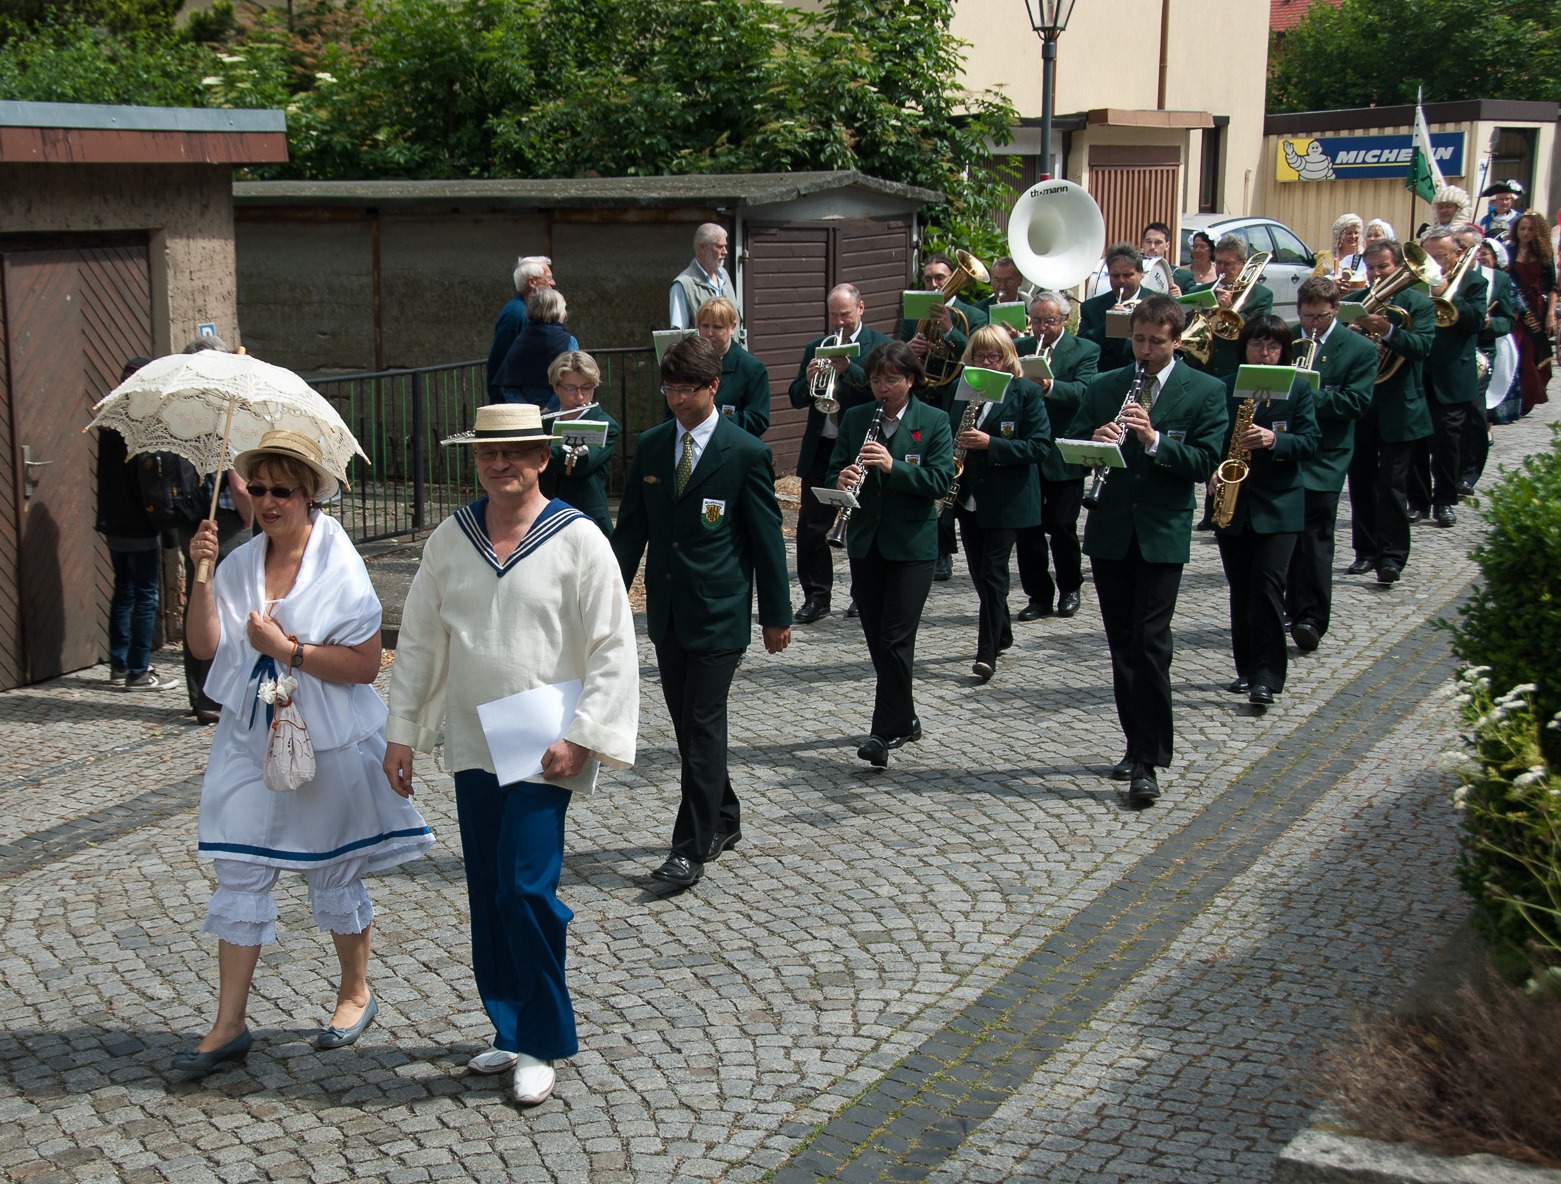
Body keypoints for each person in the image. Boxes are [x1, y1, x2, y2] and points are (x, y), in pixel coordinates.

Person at [382, 402, 637, 1108]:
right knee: (490, 891)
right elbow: (424, 643)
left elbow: (612, 645)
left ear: (543, 458)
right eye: (491, 453)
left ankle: (543, 1038)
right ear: (475, 460)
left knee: (527, 889)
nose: (504, 464)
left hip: (543, 741)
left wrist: (583, 733)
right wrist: (401, 729)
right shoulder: (450, 539)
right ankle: (507, 1020)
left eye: (519, 452)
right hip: (471, 738)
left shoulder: (578, 539)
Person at [174, 431, 433, 1079]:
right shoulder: (236, 563)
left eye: (280, 490)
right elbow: (205, 647)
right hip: (248, 735)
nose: (265, 501)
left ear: (308, 494)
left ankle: (354, 991)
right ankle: (228, 1024)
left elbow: (365, 664)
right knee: (239, 868)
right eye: (255, 488)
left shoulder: (337, 565)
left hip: (324, 736)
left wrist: (287, 648)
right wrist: (199, 572)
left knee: (333, 868)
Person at [611, 336, 792, 889]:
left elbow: (766, 541)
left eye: (687, 390)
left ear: (714, 387)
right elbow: (632, 532)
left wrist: (775, 615)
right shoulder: (652, 445)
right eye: (669, 389)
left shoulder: (745, 453)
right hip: (668, 613)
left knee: (703, 724)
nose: (676, 400)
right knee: (690, 726)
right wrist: (609, 600)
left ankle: (687, 849)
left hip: (719, 614)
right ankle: (725, 816)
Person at [1067, 295, 1227, 808]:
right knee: (1121, 644)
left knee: (1151, 642)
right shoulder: (1107, 386)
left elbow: (1205, 462)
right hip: (1112, 530)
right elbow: (1068, 447)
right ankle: (1134, 744)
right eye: (1138, 339)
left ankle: (1151, 759)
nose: (1145, 350)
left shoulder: (1204, 390)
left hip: (1161, 532)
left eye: (1156, 341)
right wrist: (1096, 439)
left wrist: (1155, 440)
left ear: (1176, 341)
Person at [828, 341, 954, 767]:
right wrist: (843, 478)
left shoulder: (933, 420)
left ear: (911, 380)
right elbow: (833, 470)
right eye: (877, 380)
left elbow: (939, 481)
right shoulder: (856, 418)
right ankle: (907, 716)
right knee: (879, 642)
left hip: (913, 547)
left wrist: (892, 466)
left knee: (896, 638)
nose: (883, 387)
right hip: (867, 543)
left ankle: (882, 732)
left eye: (892, 380)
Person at [1211, 316, 1319, 707]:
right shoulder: (1225, 388)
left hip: (1279, 506)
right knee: (1241, 589)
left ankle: (1268, 675)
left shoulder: (1298, 390)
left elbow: (1310, 442)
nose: (1265, 353)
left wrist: (1277, 439)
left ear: (1284, 351)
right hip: (1234, 503)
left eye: (1273, 346)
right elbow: (1210, 439)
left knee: (1268, 587)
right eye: (1257, 345)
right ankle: (1246, 668)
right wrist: (1212, 471)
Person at [949, 327, 1050, 682]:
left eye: (994, 356)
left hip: (1008, 499)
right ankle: (1002, 630)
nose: (987, 362)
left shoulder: (1024, 392)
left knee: (993, 575)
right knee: (980, 574)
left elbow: (1039, 447)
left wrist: (991, 443)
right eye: (980, 356)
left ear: (1008, 358)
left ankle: (986, 652)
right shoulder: (964, 391)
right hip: (971, 497)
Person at [788, 284, 893, 623]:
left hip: (861, 446)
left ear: (861, 309)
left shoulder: (880, 346)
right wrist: (807, 380)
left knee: (861, 522)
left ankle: (862, 594)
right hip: (821, 448)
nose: (839, 322)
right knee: (811, 527)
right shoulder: (815, 347)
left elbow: (881, 394)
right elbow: (795, 396)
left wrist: (849, 368)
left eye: (845, 314)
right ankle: (816, 597)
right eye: (833, 314)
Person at [1284, 277, 1377, 654]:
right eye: (1306, 317)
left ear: (1335, 310)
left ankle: (1312, 617)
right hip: (1286, 449)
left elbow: (1356, 404)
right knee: (1284, 538)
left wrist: (1309, 394)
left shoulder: (1358, 348)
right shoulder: (1289, 338)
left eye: (1320, 317)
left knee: (1316, 539)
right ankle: (1289, 607)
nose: (1312, 325)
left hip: (1326, 454)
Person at [1343, 239, 1435, 584]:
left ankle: (1392, 557)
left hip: (1400, 406)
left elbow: (1422, 348)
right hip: (1363, 403)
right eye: (1371, 268)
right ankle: (1365, 551)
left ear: (1397, 266)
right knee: (1361, 481)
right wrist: (1352, 333)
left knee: (1393, 485)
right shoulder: (1355, 303)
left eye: (1384, 267)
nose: (1377, 274)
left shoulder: (1418, 303)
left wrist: (1388, 330)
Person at [176, 335, 254, 725]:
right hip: (226, 527)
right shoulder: (227, 413)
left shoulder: (185, 412)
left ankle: (200, 696)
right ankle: (222, 691)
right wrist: (250, 520)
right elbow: (241, 487)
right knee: (229, 608)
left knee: (199, 600)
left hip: (192, 522)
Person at [1012, 290, 1099, 622]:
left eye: (1049, 320)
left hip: (1064, 452)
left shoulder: (1084, 350)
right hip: (1029, 452)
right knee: (1028, 529)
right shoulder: (1020, 348)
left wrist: (1049, 386)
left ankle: (1070, 587)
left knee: (1062, 526)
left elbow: (1085, 392)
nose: (1041, 327)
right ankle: (1038, 595)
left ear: (1064, 319)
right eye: (1036, 320)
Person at [899, 252, 987, 581]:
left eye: (940, 278)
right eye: (928, 279)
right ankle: (930, 545)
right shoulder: (914, 315)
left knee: (948, 474)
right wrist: (910, 349)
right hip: (923, 396)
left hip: (955, 400)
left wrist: (949, 331)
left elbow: (978, 358)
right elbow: (901, 356)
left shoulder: (972, 316)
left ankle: (945, 552)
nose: (934, 284)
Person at [1407, 229, 1487, 527]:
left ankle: (1444, 500)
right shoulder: (1414, 281)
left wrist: (1446, 291)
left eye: (1440, 256)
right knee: (1415, 442)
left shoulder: (1474, 282)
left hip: (1452, 373)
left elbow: (1477, 322)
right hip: (1417, 369)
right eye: (1429, 256)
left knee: (1447, 442)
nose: (1434, 262)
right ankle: (1417, 501)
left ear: (1456, 255)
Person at [97, 357, 167, 690]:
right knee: (145, 595)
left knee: (123, 592)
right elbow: (147, 481)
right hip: (138, 522)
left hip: (113, 521)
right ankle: (139, 670)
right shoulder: (140, 422)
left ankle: (118, 664)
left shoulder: (111, 418)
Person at [540, 350, 619, 534]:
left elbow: (582, 463)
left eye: (586, 387)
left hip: (586, 519)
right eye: (571, 389)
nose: (580, 396)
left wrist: (535, 451)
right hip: (545, 518)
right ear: (556, 387)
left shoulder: (605, 424)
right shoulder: (544, 423)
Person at [690, 296, 770, 437]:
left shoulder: (752, 368)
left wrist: (712, 421)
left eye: (717, 327)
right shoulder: (688, 364)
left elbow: (758, 420)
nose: (709, 333)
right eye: (705, 326)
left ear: (732, 327)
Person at [1198, 234, 1275, 379]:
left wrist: (1230, 308)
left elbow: (1257, 332)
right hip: (1203, 368)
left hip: (1234, 368)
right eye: (1218, 262)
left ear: (1243, 264)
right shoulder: (1200, 291)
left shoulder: (1262, 295)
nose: (1221, 269)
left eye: (1228, 264)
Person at [494, 288, 578, 410]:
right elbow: (571, 380)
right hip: (557, 411)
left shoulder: (521, 340)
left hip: (525, 415)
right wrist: (548, 409)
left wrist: (526, 409)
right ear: (558, 311)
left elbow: (507, 385)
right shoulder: (568, 341)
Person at [486, 256, 555, 402]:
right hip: (514, 398)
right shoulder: (515, 314)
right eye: (548, 278)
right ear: (532, 282)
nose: (552, 283)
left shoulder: (528, 311)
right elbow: (500, 359)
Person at [1507, 211, 1556, 414]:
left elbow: (1552, 287)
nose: (1525, 233)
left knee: (1530, 352)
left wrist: (1551, 314)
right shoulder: (1509, 251)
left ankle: (1528, 397)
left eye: (1530, 229)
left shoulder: (1544, 254)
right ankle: (1510, 397)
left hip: (1535, 308)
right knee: (1513, 351)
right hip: (1514, 309)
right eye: (1522, 228)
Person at [1078, 244, 1145, 372]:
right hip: (1105, 377)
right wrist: (1109, 324)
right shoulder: (1091, 307)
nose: (1121, 281)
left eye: (1127, 275)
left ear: (1141, 274)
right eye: (1115, 276)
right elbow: (1082, 347)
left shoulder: (1157, 302)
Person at [669, 223, 736, 331]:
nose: (725, 251)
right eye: (719, 246)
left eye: (725, 246)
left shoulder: (724, 276)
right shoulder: (683, 285)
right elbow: (679, 336)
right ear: (702, 248)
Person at [975, 256, 1027, 335]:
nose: (1002, 286)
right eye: (997, 280)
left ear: (1020, 281)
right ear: (991, 281)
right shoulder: (977, 310)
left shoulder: (1031, 310)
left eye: (1008, 280)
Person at [1330, 213, 1366, 284]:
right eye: (1349, 233)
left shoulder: (1365, 257)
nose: (1353, 236)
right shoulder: (1327, 257)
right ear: (1340, 236)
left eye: (1356, 233)